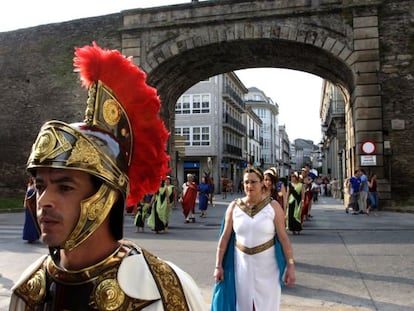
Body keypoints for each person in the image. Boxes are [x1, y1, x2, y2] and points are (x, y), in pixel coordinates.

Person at [9, 43, 206, 311]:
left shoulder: (161, 290)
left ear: (107, 195)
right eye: (41, 186)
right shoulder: (29, 289)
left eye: (65, 187)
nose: (45, 201)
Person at [211, 167, 296, 311]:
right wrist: (218, 266)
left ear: (262, 183)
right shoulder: (234, 207)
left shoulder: (273, 206)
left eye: (253, 182)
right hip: (241, 266)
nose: (249, 186)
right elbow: (224, 239)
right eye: (246, 182)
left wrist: (291, 266)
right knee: (243, 305)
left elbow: (283, 238)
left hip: (268, 267)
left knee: (266, 306)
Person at [22, 177, 40, 243]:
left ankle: (34, 236)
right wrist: (25, 204)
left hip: (34, 205)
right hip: (29, 206)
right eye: (32, 178)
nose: (33, 179)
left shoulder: (36, 186)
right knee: (29, 221)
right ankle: (29, 236)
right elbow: (26, 196)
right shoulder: (29, 185)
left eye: (34, 178)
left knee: (34, 221)